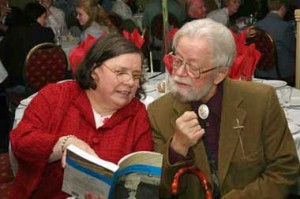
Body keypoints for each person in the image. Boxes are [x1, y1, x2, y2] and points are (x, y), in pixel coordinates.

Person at [147, 18, 299, 198]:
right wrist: (177, 148)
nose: (179, 73)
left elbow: (284, 170)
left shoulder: (260, 101)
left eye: (193, 67)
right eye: (177, 61)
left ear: (219, 75)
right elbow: (160, 190)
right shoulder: (159, 111)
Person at [9, 33, 154, 198]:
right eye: (120, 72)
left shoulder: (137, 114)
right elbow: (20, 142)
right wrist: (64, 144)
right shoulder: (56, 96)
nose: (130, 82)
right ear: (93, 70)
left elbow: (143, 182)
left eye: (136, 76)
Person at [0, 2, 54, 87]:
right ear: (37, 17)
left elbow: (4, 54)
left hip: (19, 80)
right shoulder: (48, 33)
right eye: (44, 17)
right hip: (44, 77)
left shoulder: (15, 32)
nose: (45, 21)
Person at [254, 0, 296, 86]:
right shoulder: (285, 28)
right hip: (280, 74)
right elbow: (296, 50)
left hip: (259, 72)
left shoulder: (257, 25)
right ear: (283, 7)